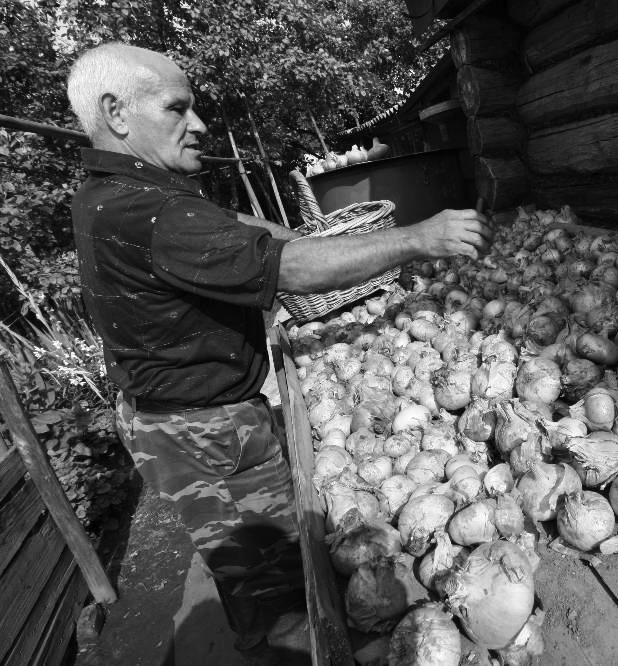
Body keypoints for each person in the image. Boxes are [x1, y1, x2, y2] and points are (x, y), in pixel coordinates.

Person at [66, 42, 491, 662]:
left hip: (180, 420)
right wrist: (419, 238)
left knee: (269, 579)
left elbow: (232, 226)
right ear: (117, 112)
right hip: (204, 433)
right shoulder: (146, 212)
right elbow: (286, 268)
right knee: (277, 594)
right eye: (176, 108)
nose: (200, 125)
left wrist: (302, 239)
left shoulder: (117, 193)